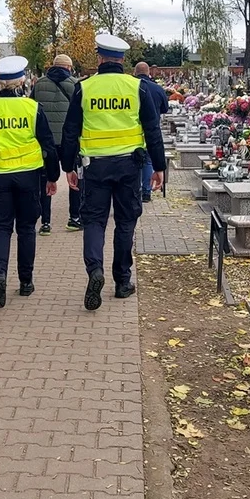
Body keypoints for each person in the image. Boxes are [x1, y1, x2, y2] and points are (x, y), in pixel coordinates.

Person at [61, 34, 167, 311]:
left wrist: (68, 167)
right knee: (125, 221)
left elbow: (70, 130)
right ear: (122, 60)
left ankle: (95, 270)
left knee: (94, 221)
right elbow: (152, 130)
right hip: (129, 166)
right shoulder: (137, 88)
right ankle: (122, 281)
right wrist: (159, 167)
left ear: (99, 58)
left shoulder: (85, 88)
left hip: (94, 166)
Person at [0, 56, 60, 308]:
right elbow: (48, 146)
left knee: (1, 228)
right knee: (26, 229)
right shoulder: (32, 108)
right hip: (29, 176)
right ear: (22, 80)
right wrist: (52, 177)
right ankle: (26, 282)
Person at [30, 54, 81, 233]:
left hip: (46, 142)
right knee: (74, 178)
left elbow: (32, 109)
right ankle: (74, 218)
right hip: (69, 141)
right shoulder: (75, 85)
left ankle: (45, 222)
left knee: (46, 180)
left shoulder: (39, 84)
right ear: (68, 67)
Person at [133, 62, 169, 202]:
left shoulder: (131, 87)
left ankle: (135, 191)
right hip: (152, 128)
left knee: (134, 161)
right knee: (148, 160)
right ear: (149, 72)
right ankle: (146, 191)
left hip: (133, 130)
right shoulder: (157, 88)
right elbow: (165, 108)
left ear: (135, 72)